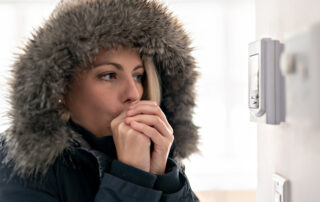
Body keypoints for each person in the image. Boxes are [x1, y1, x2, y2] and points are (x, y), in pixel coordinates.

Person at [0, 0, 200, 201]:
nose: (133, 93)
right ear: (60, 86)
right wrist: (133, 177)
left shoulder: (152, 153)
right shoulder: (17, 165)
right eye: (109, 75)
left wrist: (162, 176)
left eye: (138, 76)